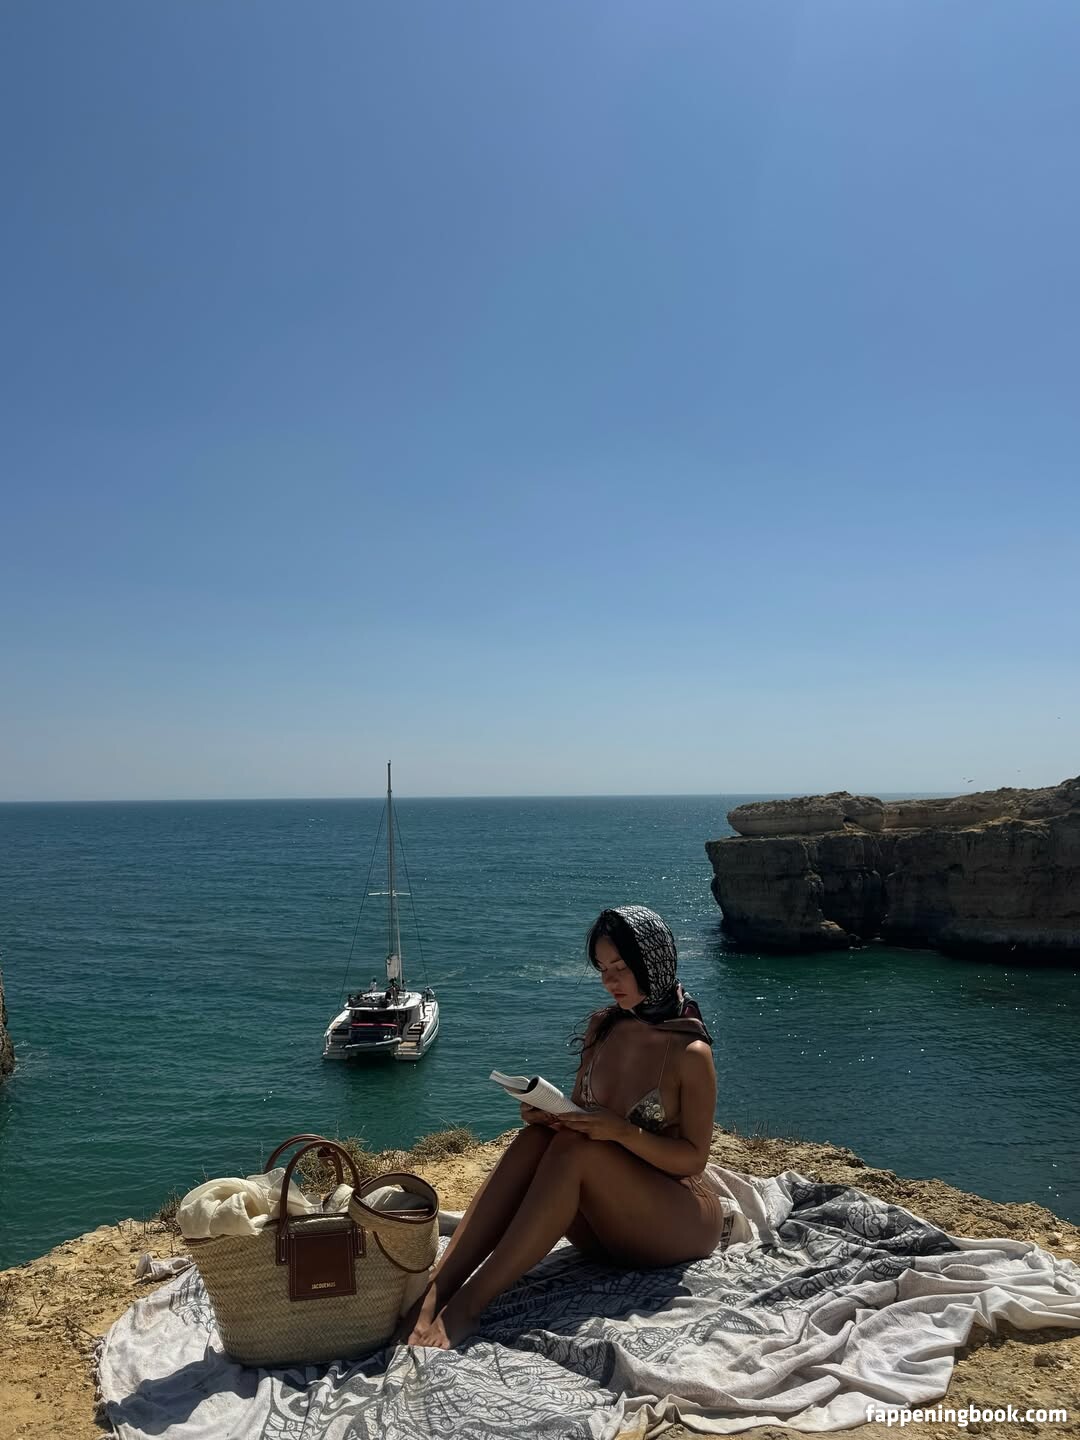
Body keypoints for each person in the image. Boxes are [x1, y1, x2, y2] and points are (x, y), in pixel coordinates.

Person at [403, 904, 729, 1349]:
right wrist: (549, 1115)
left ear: (653, 963)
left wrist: (622, 1132)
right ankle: (436, 1290)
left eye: (621, 967)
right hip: (605, 1226)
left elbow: (693, 1159)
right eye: (602, 968)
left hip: (675, 1222)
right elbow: (582, 1117)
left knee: (577, 1152)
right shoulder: (603, 1028)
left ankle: (468, 1306)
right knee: (538, 1138)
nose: (610, 981)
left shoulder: (690, 1052)